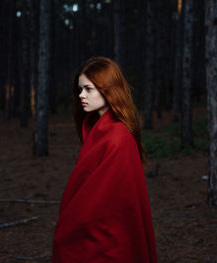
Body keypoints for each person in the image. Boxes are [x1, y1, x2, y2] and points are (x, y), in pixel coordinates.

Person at [52, 57, 158, 263]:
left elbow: (104, 198)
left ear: (108, 89)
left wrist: (70, 224)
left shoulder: (117, 136)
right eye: (80, 89)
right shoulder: (97, 129)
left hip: (110, 235)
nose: (82, 95)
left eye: (89, 89)